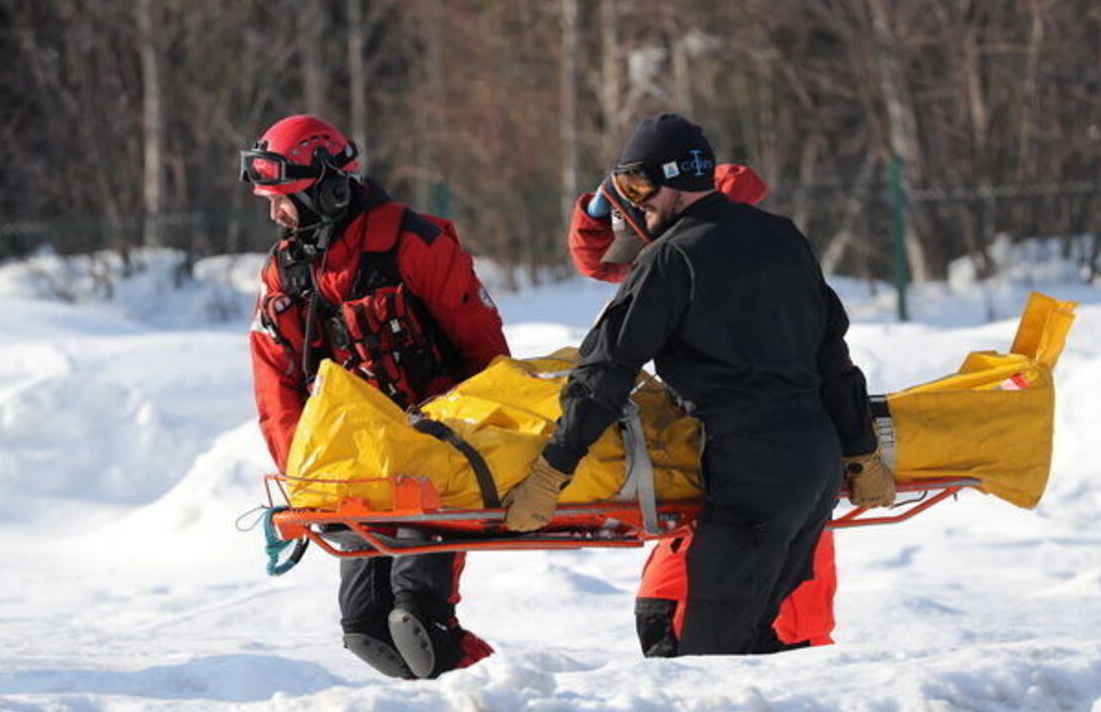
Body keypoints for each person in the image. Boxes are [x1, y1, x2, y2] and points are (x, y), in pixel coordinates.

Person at [505, 113, 895, 656]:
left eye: (640, 186)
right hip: (814, 467)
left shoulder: (672, 257)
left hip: (752, 476)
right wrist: (858, 450)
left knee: (711, 662)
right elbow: (832, 356)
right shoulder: (781, 237)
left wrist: (554, 468)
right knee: (753, 641)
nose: (636, 203)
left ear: (675, 182)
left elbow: (605, 370)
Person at [243, 113, 509, 679]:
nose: (274, 213)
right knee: (365, 630)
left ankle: (501, 706)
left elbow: (488, 360)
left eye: (285, 197)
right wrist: (304, 475)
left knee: (416, 622)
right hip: (354, 469)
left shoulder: (416, 244)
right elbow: (275, 382)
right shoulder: (286, 273)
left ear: (330, 189)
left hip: (432, 460)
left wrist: (481, 454)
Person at [564, 154, 844, 652]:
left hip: (766, 468)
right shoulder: (675, 226)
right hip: (731, 471)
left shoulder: (712, 244)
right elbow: (602, 260)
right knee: (678, 621)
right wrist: (600, 205)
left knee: (759, 637)